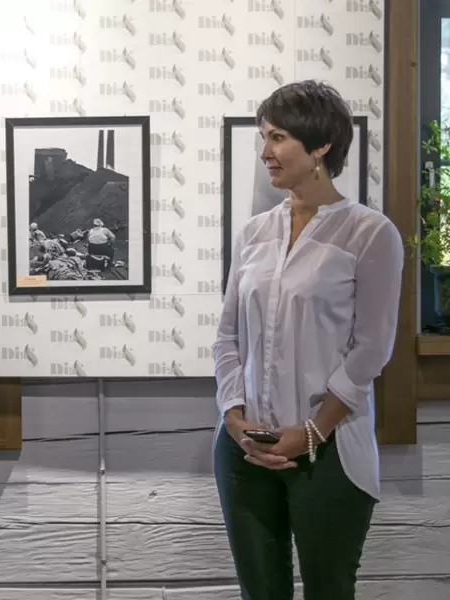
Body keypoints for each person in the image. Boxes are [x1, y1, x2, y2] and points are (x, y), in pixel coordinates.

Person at [212, 79, 404, 600]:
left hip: (330, 452)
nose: (265, 152)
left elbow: (372, 349)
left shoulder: (371, 234)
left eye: (278, 138)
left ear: (321, 145)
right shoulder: (254, 234)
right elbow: (227, 336)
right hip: (244, 450)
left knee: (329, 591)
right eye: (264, 137)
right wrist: (234, 416)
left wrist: (314, 432)